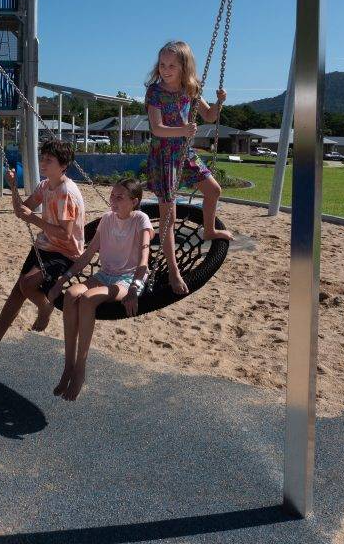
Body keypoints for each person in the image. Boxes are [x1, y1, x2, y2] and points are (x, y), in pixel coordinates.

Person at [0, 139, 85, 371]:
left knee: (27, 284)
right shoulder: (45, 186)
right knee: (16, 293)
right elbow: (22, 212)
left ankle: (45, 308)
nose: (43, 162)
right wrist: (13, 187)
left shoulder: (67, 193)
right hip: (44, 246)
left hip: (66, 252)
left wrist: (34, 218)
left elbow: (65, 234)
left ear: (63, 165)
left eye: (49, 160)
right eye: (42, 158)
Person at [46, 177, 153, 401]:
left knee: (87, 299)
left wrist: (135, 287)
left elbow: (144, 257)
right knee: (71, 294)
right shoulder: (106, 219)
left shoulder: (141, 220)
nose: (113, 200)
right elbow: (87, 255)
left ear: (134, 201)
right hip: (105, 275)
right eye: (112, 195)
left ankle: (80, 369)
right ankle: (68, 365)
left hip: (128, 280)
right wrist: (62, 280)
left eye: (120, 197)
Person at [145, 40, 233, 294]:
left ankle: (209, 229)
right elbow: (156, 128)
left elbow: (209, 116)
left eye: (172, 65)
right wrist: (183, 130)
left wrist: (219, 103)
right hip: (163, 156)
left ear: (184, 66)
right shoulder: (155, 92)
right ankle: (173, 270)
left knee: (213, 190)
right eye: (162, 64)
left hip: (185, 153)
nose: (165, 69)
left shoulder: (191, 88)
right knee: (169, 217)